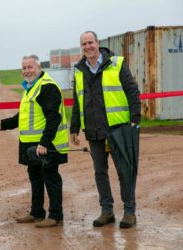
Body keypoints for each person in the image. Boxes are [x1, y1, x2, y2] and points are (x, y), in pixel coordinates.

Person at [70, 31, 141, 228]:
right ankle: (107, 211)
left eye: (90, 42)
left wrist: (135, 118)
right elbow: (78, 101)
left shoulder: (116, 64)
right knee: (100, 172)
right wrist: (74, 127)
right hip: (93, 130)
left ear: (97, 43)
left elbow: (132, 91)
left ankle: (129, 212)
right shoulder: (79, 70)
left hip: (118, 128)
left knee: (124, 171)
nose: (87, 47)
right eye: (83, 44)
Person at [0, 54, 69, 228]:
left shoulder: (46, 87)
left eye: (30, 67)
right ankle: (36, 212)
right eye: (24, 68)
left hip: (44, 144)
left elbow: (53, 118)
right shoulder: (30, 88)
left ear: (39, 68)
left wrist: (45, 143)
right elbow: (24, 117)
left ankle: (56, 216)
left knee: (51, 177)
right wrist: (2, 124)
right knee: (35, 177)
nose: (27, 71)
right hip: (31, 145)